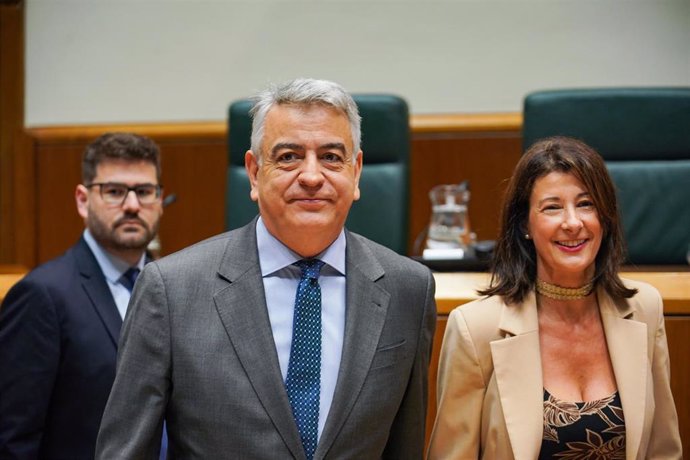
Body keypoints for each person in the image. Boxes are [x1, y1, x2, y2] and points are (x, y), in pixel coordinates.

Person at [95, 78, 436, 459]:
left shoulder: (409, 289)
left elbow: (405, 447)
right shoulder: (171, 289)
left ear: (355, 172)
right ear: (255, 173)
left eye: (331, 157)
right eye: (289, 156)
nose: (311, 176)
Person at [428, 136, 682, 459]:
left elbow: (664, 450)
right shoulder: (475, 329)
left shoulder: (644, 309)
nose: (573, 223)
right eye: (552, 207)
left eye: (586, 204)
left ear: (605, 217)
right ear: (525, 225)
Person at [0, 132, 165, 458]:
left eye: (144, 192)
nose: (132, 205)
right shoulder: (41, 295)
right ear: (82, 199)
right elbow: (13, 438)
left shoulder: (177, 285)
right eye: (115, 191)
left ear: (159, 200)